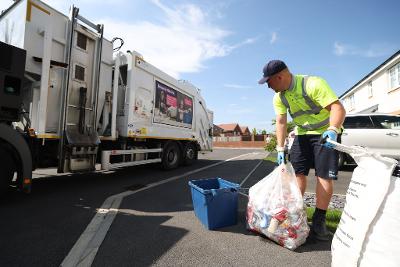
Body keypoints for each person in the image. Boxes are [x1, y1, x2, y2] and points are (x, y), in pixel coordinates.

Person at [258, 59, 346, 241]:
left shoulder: (313, 84)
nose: (267, 86)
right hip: (302, 134)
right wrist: (280, 149)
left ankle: (319, 221)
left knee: (323, 176)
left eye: (268, 82)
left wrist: (333, 130)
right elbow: (281, 122)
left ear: (280, 76)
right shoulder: (279, 97)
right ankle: (295, 213)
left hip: (324, 133)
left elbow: (337, 107)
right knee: (297, 174)